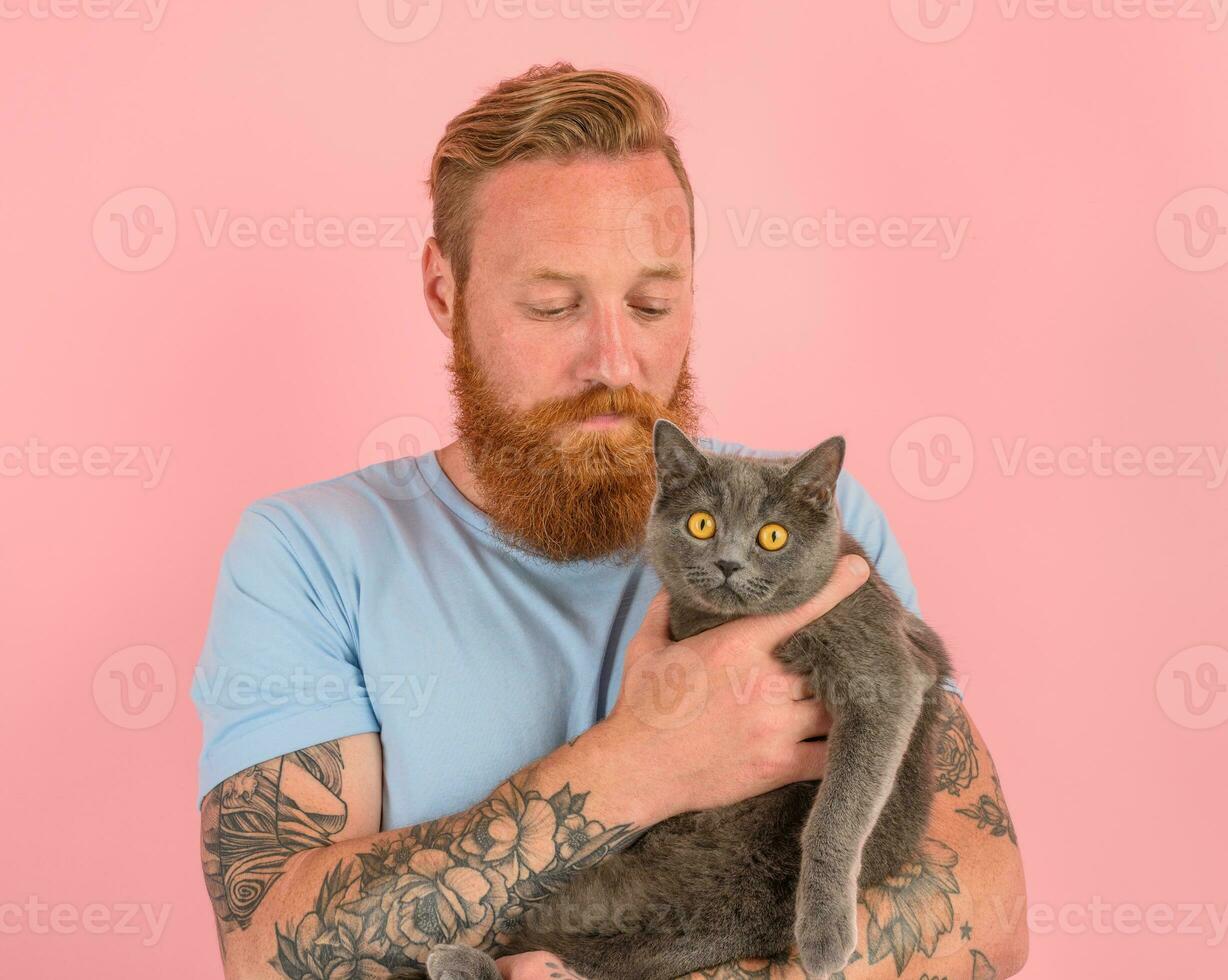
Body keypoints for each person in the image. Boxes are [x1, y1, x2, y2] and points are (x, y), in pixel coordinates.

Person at [192, 63, 1028, 980]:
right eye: (552, 305)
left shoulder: (822, 529)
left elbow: (985, 914)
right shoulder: (313, 555)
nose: (613, 360)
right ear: (444, 292)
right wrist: (641, 762)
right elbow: (270, 954)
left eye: (652, 302)